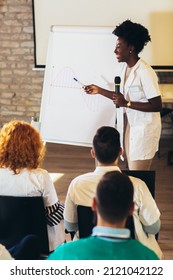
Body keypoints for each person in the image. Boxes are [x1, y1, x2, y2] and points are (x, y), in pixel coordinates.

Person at [64, 126, 163, 259]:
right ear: (120, 152)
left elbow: (70, 225)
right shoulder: (138, 185)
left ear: (93, 153)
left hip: (86, 256)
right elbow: (153, 227)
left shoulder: (77, 184)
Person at [84, 20, 162, 170]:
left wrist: (127, 104)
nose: (115, 51)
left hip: (142, 129)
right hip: (128, 126)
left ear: (131, 48)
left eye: (119, 46)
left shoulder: (144, 71)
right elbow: (120, 98)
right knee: (130, 172)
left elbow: (157, 105)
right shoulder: (123, 68)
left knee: (139, 176)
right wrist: (99, 90)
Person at [47, 171, 159, 260]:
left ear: (94, 204)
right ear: (131, 208)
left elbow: (70, 226)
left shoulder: (62, 256)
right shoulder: (149, 258)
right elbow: (153, 227)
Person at [0, 120, 65, 252]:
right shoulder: (41, 177)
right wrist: (64, 207)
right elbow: (52, 218)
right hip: (36, 246)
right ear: (34, 148)